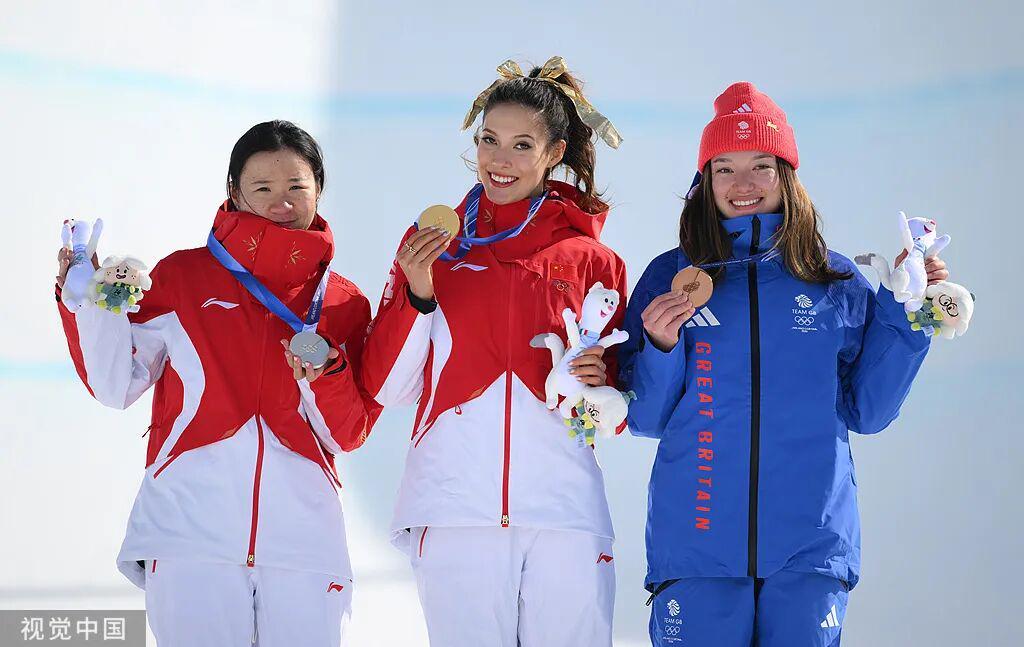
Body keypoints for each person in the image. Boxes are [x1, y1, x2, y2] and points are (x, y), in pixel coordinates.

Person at [618, 82, 949, 646]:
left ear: (787, 176)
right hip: (696, 548)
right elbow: (646, 418)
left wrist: (906, 312)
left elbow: (868, 411)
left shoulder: (832, 278)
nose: (742, 184)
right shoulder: (671, 277)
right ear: (705, 180)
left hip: (810, 550)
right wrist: (660, 346)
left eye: (761, 166)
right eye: (724, 168)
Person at [55, 120, 381, 646]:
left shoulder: (344, 302)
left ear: (319, 188)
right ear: (233, 190)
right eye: (263, 188)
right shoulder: (182, 278)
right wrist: (90, 303)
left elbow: (347, 434)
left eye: (296, 186)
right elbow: (115, 385)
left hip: (303, 546)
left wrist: (325, 376)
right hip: (189, 538)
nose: (281, 202)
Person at [360, 57, 627, 647]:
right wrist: (417, 294)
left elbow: (608, 415)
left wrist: (599, 387)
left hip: (564, 512)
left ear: (554, 153)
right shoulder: (432, 244)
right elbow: (387, 387)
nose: (499, 160)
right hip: (454, 507)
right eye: (488, 140)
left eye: (521, 145)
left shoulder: (591, 259)